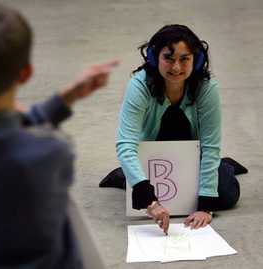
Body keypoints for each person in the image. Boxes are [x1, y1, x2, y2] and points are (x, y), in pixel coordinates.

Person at [0, 3, 117, 269]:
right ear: (26, 72)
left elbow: (5, 133)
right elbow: (21, 138)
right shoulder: (54, 148)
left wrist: (64, 99)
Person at [100, 24, 247, 234]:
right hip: (152, 154)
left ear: (195, 60)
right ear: (153, 58)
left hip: (194, 154)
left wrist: (205, 206)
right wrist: (150, 201)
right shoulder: (139, 85)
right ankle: (126, 175)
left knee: (224, 195)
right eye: (168, 58)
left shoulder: (207, 88)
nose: (176, 67)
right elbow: (126, 144)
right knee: (141, 195)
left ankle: (225, 166)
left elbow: (210, 146)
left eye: (184, 59)